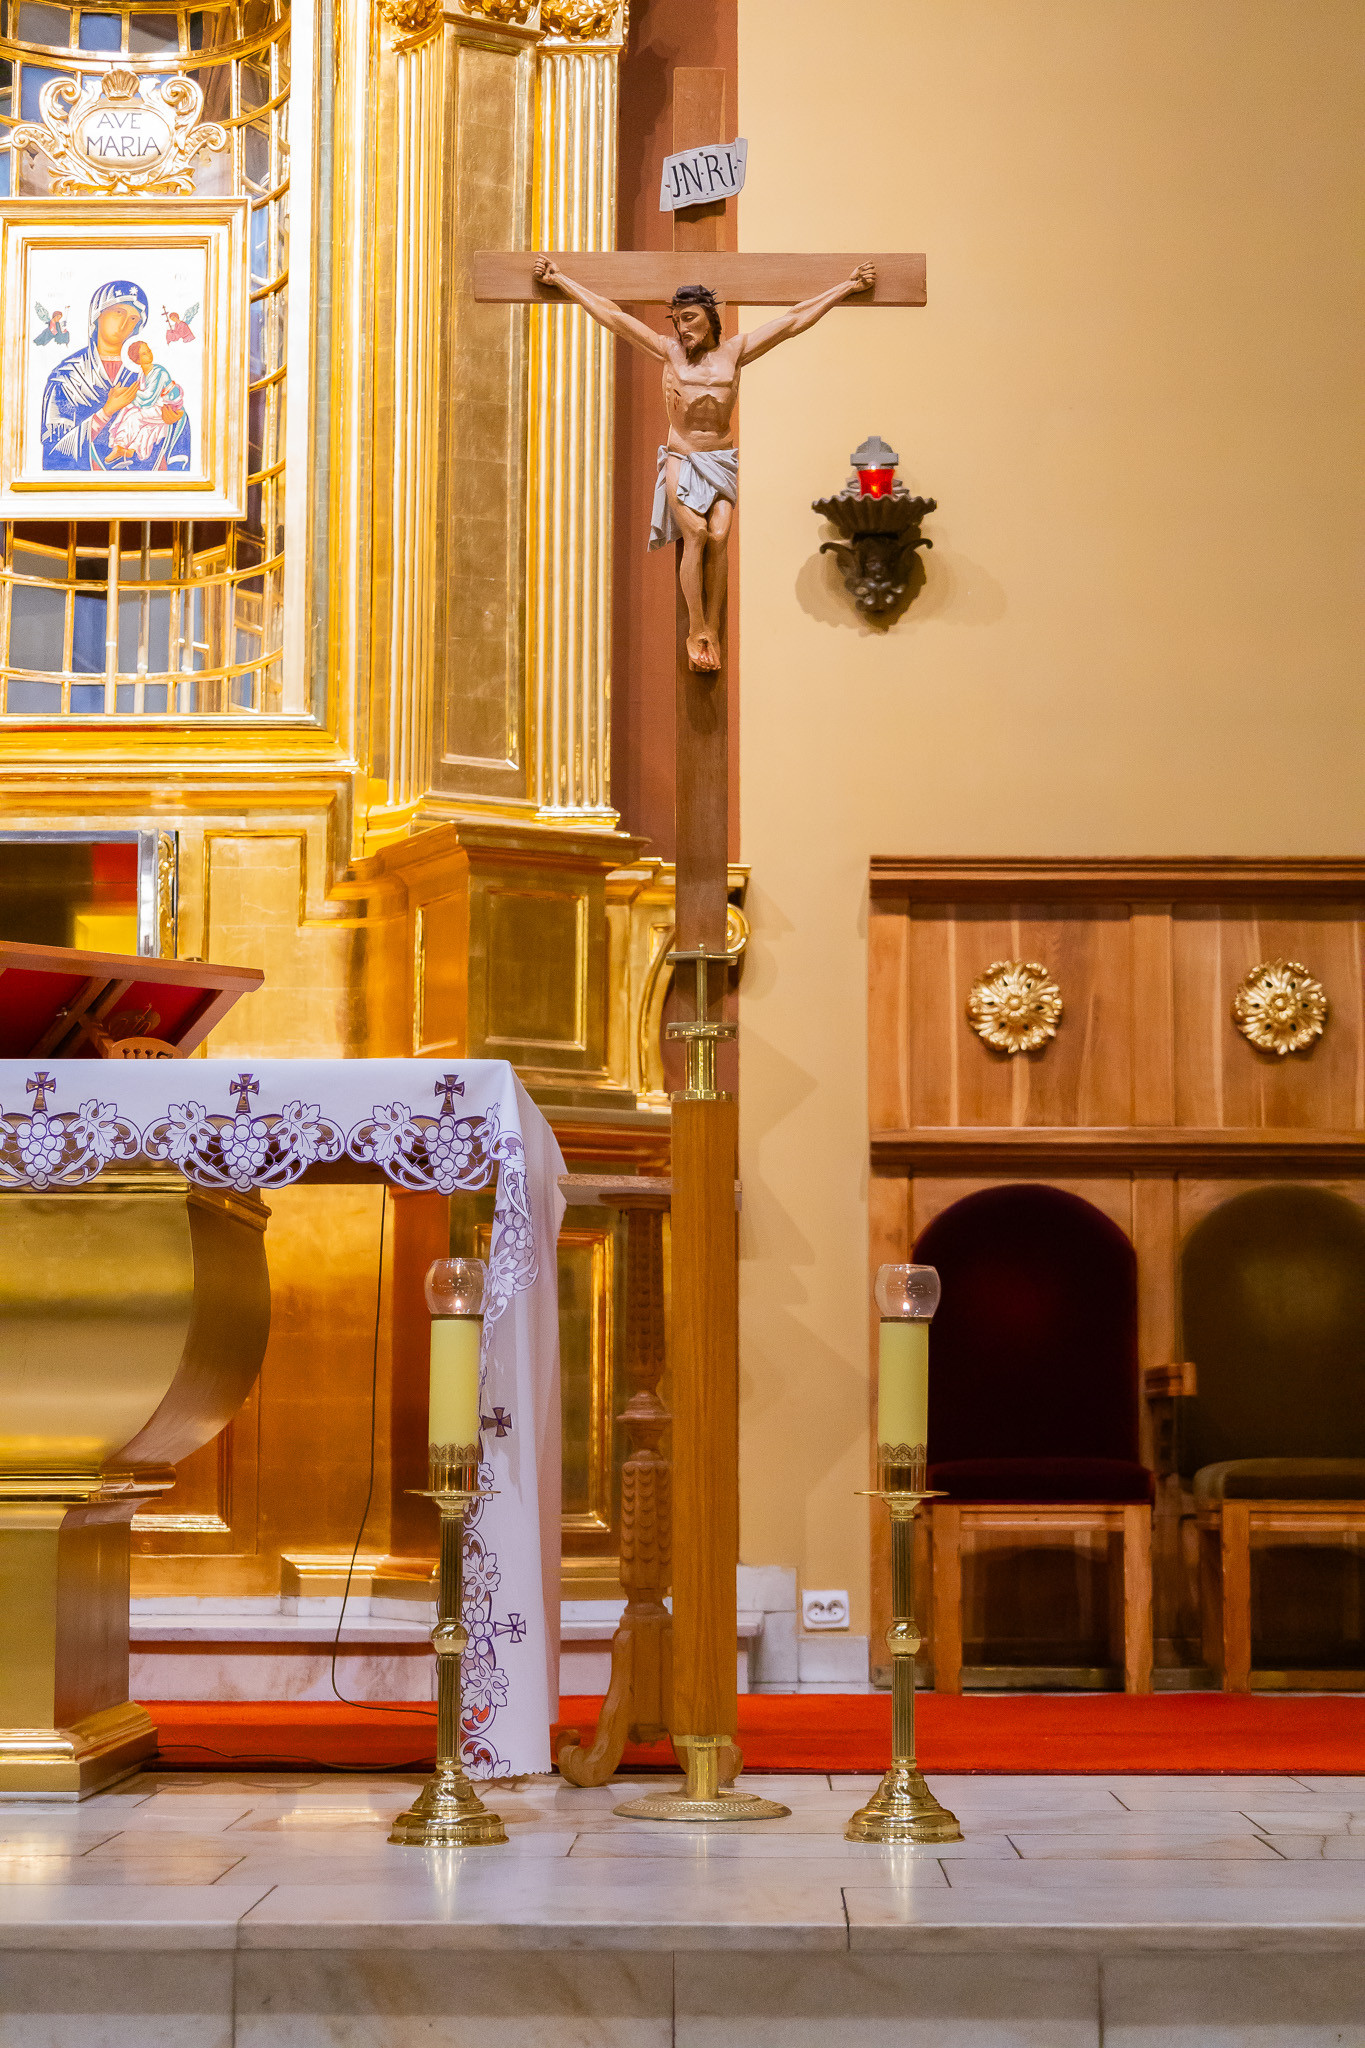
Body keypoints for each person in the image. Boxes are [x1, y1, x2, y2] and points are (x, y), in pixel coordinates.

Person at [532, 257, 876, 671]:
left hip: (721, 459)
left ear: (711, 317)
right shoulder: (669, 352)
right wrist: (561, 281)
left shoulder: (736, 351)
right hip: (682, 456)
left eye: (690, 318)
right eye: (677, 320)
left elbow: (793, 320)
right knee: (695, 533)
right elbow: (614, 317)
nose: (682, 328)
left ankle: (713, 625)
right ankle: (697, 629)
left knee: (719, 537)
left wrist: (847, 287)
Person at [40, 279, 192, 474]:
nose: (124, 323)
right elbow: (54, 455)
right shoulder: (67, 377)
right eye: (118, 312)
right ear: (98, 314)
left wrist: (173, 417)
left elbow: (174, 418)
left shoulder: (143, 371)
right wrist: (106, 412)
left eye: (133, 318)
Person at [105, 339, 186, 466]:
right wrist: (125, 395)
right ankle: (126, 449)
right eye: (144, 353)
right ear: (137, 360)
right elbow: (143, 396)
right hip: (156, 406)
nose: (149, 354)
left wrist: (126, 393)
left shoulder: (159, 372)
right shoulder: (143, 372)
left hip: (168, 408)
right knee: (129, 411)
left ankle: (119, 445)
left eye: (148, 351)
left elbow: (148, 398)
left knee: (134, 416)